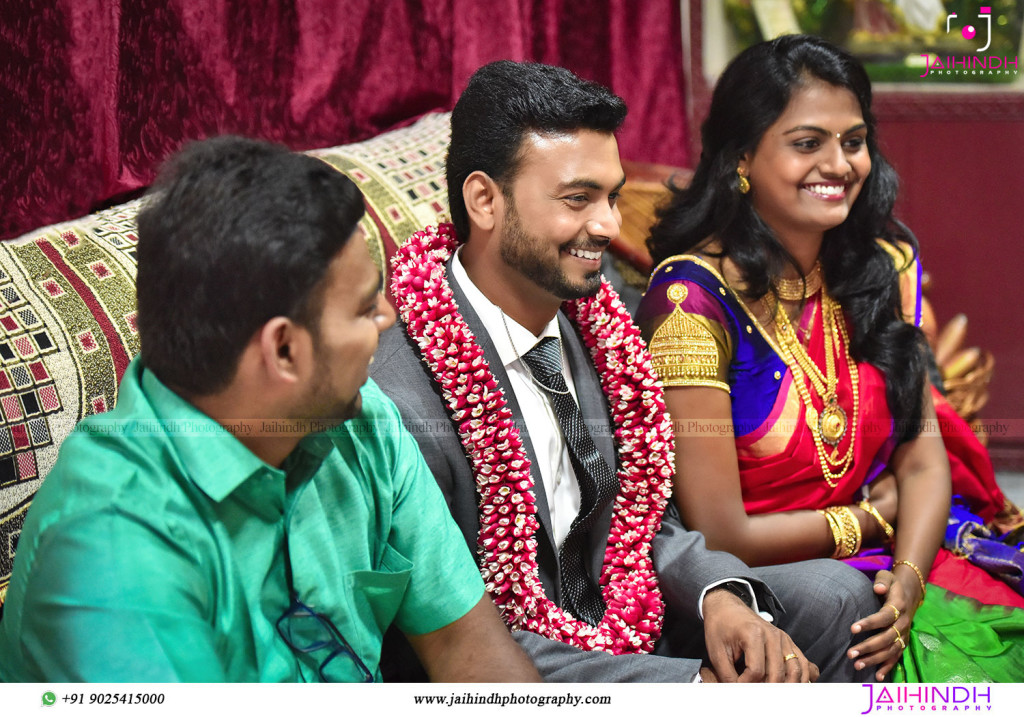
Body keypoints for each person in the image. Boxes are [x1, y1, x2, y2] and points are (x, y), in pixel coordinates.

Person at [371, 59, 881, 683]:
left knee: (837, 599)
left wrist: (721, 599)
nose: (611, 226)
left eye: (611, 196)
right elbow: (453, 641)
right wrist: (682, 686)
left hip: (629, 615)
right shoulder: (401, 396)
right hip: (510, 663)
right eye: (578, 199)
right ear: (484, 200)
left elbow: (642, 518)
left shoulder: (596, 317)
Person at [0, 137, 540, 682]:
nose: (386, 316)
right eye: (362, 307)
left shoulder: (362, 421)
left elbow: (464, 645)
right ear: (283, 350)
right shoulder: (113, 544)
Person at [639, 34, 1024, 683]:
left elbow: (924, 459)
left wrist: (907, 579)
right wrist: (872, 517)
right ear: (742, 157)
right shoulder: (690, 302)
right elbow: (720, 530)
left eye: (853, 141)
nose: (839, 164)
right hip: (774, 582)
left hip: (900, 562)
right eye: (807, 142)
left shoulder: (880, 270)